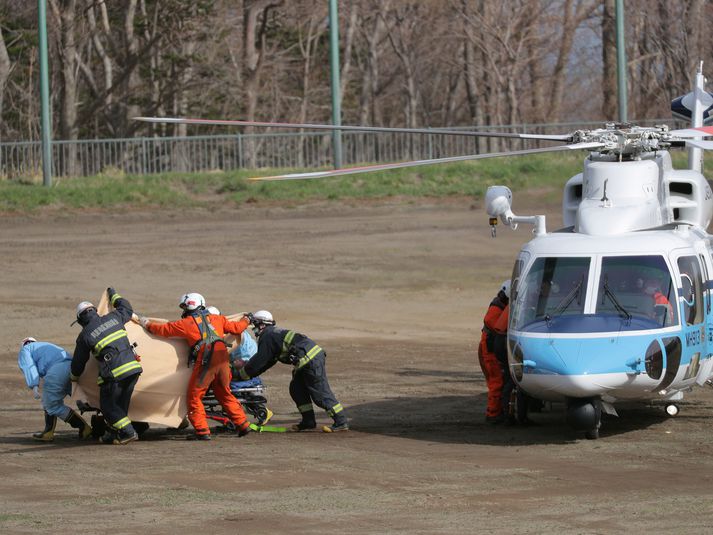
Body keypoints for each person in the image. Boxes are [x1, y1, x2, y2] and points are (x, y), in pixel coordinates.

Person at [138, 293, 252, 441]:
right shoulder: (217, 318)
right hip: (223, 360)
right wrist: (246, 319)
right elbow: (237, 328)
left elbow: (163, 330)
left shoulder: (185, 323)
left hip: (206, 361)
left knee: (194, 396)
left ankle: (202, 431)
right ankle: (243, 424)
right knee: (224, 393)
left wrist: (146, 323)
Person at [234, 310, 349, 432]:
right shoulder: (272, 334)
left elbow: (259, 361)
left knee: (319, 392)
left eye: (255, 325)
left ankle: (341, 421)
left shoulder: (267, 336)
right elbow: (267, 362)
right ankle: (308, 421)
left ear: (262, 324)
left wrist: (241, 374)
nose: (254, 329)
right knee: (296, 389)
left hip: (309, 360)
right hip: (306, 359)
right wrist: (248, 373)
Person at [71, 288, 142, 445]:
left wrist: (74, 377)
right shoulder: (115, 317)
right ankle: (115, 433)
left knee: (108, 408)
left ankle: (129, 432)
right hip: (133, 369)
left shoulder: (85, 335)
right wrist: (114, 296)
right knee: (120, 406)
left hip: (114, 374)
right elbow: (127, 308)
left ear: (81, 320)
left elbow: (78, 362)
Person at [18, 337, 92, 442]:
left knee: (51, 405)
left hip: (57, 371)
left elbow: (29, 366)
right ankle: (49, 431)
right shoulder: (44, 345)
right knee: (86, 399)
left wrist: (34, 385)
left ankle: (84, 428)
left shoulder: (25, 350)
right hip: (71, 368)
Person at [478, 280, 509, 424]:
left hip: (491, 349)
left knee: (498, 381)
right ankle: (493, 414)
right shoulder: (496, 311)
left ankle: (498, 411)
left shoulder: (498, 306)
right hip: (490, 352)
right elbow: (498, 327)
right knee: (496, 382)